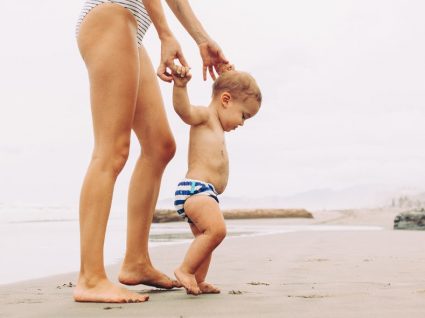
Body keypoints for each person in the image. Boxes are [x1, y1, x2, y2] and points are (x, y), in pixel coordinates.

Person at [74, 0, 231, 303]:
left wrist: (201, 39)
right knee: (112, 150)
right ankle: (90, 278)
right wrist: (165, 34)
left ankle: (136, 261)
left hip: (131, 27)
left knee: (160, 146)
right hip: (110, 14)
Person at [171, 67, 262, 295]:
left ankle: (197, 280)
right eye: (244, 115)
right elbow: (185, 112)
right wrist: (180, 87)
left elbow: (234, 83)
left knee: (206, 240)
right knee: (217, 231)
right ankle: (185, 270)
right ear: (225, 100)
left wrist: (230, 74)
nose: (242, 123)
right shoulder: (205, 117)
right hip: (196, 190)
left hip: (205, 192)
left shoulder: (218, 127)